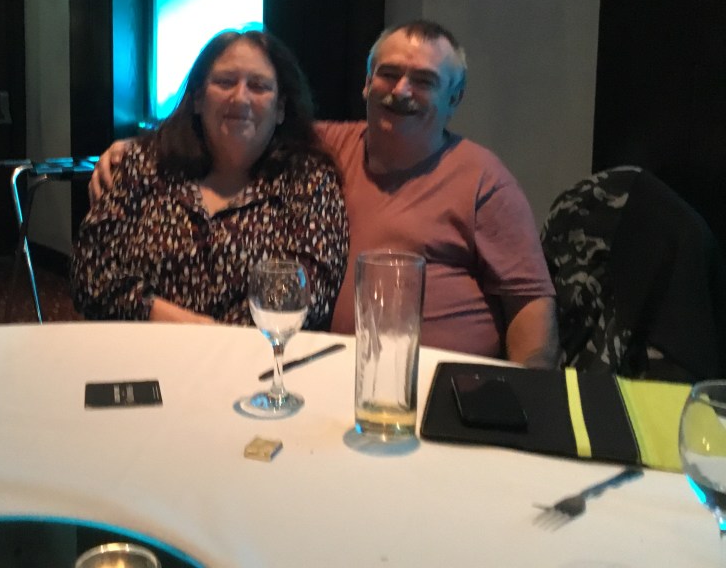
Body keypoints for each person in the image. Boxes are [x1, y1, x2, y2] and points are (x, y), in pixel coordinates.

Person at [90, 20, 558, 366]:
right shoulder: (327, 146)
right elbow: (240, 124)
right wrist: (134, 148)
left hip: (442, 377)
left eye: (424, 81)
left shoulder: (483, 179)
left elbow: (530, 302)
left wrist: (530, 396)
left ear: (454, 98)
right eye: (388, 74)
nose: (401, 90)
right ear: (367, 83)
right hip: (335, 373)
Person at [72, 28, 348, 330]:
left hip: (254, 356)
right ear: (198, 99)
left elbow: (307, 295)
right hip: (140, 350)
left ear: (280, 108)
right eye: (225, 82)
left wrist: (214, 344)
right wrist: (187, 325)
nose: (240, 97)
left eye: (258, 86)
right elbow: (90, 275)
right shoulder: (143, 163)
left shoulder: (309, 181)